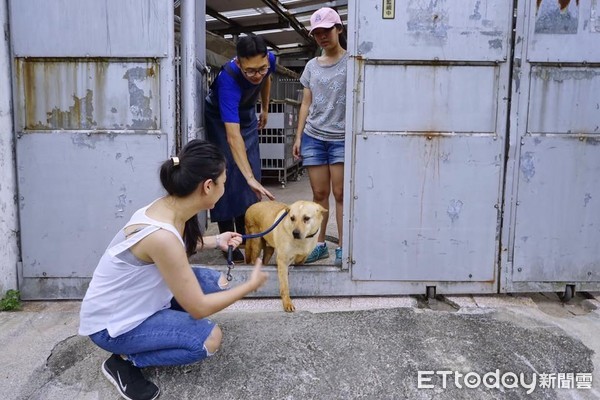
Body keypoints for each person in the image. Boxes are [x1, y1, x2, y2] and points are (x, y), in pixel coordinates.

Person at [79, 140, 269, 400]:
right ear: (208, 186)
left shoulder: (170, 206)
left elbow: (176, 248)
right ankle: (125, 361)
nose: (225, 188)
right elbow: (199, 307)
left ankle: (162, 322)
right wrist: (249, 285)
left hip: (138, 300)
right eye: (224, 182)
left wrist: (217, 240)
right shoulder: (161, 236)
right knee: (209, 339)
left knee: (218, 283)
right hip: (112, 326)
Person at [205, 34, 276, 262]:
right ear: (240, 63)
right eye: (250, 71)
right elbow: (232, 136)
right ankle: (228, 241)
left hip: (246, 115)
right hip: (220, 120)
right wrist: (248, 178)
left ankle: (245, 234)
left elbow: (267, 80)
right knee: (227, 173)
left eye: (261, 68)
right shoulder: (228, 80)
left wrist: (265, 108)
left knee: (252, 170)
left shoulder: (269, 62)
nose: (257, 75)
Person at [292, 7, 348, 266]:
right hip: (314, 136)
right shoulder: (312, 66)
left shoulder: (352, 61)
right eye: (317, 33)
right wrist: (298, 136)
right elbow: (306, 103)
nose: (323, 36)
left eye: (327, 30)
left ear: (339, 28)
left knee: (340, 194)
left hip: (341, 137)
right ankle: (320, 245)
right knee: (319, 194)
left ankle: (344, 247)